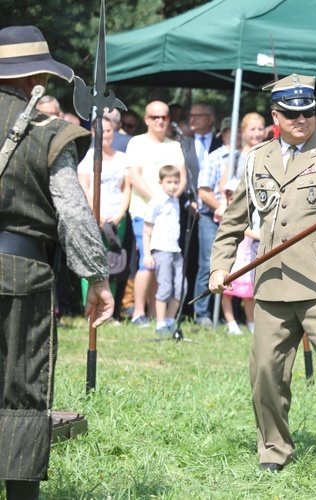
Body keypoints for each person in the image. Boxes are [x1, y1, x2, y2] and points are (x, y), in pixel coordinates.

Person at [209, 74, 316, 482]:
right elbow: (234, 220)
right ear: (276, 116)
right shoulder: (256, 159)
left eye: (307, 112)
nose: (301, 119)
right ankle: (273, 447)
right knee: (266, 372)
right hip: (271, 280)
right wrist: (221, 264)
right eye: (292, 113)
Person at [0, 25, 113, 499]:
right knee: (22, 388)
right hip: (20, 272)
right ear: (33, 82)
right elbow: (73, 213)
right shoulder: (47, 133)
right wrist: (98, 279)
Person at [126, 101, 187, 327]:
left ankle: (155, 312)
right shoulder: (137, 143)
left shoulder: (175, 145)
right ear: (146, 119)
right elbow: (134, 176)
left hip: (169, 217)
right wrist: (158, 200)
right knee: (147, 262)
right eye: (155, 117)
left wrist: (171, 198)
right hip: (144, 212)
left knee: (162, 264)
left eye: (164, 117)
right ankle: (138, 312)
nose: (160, 121)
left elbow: (182, 177)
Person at [77, 115, 133, 319]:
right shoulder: (87, 156)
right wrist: (96, 214)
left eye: (109, 131)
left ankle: (108, 311)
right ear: (94, 132)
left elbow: (127, 188)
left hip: (117, 217)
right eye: (102, 131)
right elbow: (84, 187)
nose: (106, 135)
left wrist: (119, 214)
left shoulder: (122, 157)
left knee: (114, 262)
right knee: (91, 260)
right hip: (93, 217)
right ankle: (89, 308)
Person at [191, 102, 224, 327]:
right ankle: (200, 312)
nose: (193, 119)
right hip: (202, 212)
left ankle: (222, 313)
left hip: (226, 215)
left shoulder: (223, 144)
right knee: (205, 264)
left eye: (199, 115)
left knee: (227, 265)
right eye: (190, 115)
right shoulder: (182, 142)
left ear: (211, 118)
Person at [142, 165, 184, 335]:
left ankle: (170, 319)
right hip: (161, 249)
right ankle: (160, 323)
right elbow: (147, 228)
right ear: (161, 182)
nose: (173, 186)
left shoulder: (176, 201)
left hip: (175, 249)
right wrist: (147, 253)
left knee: (181, 287)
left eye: (176, 182)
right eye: (169, 182)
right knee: (165, 286)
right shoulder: (157, 201)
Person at [218, 178, 258, 335]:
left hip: (246, 258)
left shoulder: (248, 215)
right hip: (232, 260)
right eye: (231, 198)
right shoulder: (226, 216)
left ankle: (251, 322)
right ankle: (231, 324)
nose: (234, 201)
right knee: (227, 294)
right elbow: (244, 231)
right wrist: (223, 200)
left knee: (248, 295)